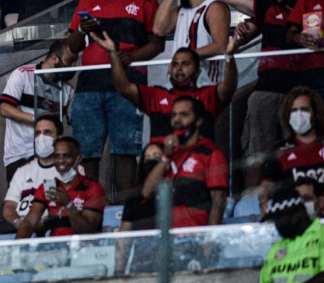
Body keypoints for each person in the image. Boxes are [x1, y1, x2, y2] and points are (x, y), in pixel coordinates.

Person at [66, 0, 162, 195]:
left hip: (128, 83)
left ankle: (124, 213)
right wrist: (81, 30)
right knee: (87, 152)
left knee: (125, 150)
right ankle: (90, 207)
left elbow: (157, 43)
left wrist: (132, 57)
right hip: (89, 83)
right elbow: (73, 46)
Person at [226, 0, 307, 186]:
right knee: (257, 154)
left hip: (303, 90)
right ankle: (252, 205)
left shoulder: (314, 9)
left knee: (303, 152)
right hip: (267, 91)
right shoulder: (268, 10)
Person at [101, 28, 237, 140]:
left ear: (198, 72)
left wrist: (230, 57)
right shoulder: (156, 95)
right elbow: (124, 88)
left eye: (185, 64)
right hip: (162, 170)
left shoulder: (207, 95)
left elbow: (229, 87)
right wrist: (112, 54)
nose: (179, 68)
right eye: (175, 64)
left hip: (198, 169)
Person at [140, 96, 228, 227]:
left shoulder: (211, 154)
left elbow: (218, 200)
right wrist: (166, 157)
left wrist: (210, 239)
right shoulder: (170, 155)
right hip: (167, 240)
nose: (176, 119)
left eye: (184, 115)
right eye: (174, 115)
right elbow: (147, 192)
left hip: (195, 238)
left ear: (198, 120)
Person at [0, 43, 76, 180]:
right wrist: (38, 120)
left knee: (48, 197)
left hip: (50, 156)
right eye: (70, 61)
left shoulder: (68, 90)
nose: (74, 66)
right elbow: (5, 109)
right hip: (20, 153)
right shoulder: (23, 74)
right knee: (22, 198)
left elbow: (75, 122)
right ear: (54, 58)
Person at [16, 136, 105, 238]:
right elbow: (29, 223)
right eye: (56, 156)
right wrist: (16, 250)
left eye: (66, 156)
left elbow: (87, 231)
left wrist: (68, 204)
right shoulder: (49, 186)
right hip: (54, 249)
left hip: (83, 249)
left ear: (79, 159)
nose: (61, 160)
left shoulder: (92, 188)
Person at [153, 0, 231, 74]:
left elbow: (221, 47)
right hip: (180, 83)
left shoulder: (215, 7)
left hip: (205, 84)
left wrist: (185, 57)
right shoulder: (181, 10)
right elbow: (158, 30)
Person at [1, 114, 69, 233]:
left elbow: (72, 206)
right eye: (38, 133)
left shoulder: (71, 171)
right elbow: (9, 206)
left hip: (52, 226)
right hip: (21, 226)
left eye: (47, 132)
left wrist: (44, 222)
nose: (41, 138)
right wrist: (18, 222)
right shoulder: (22, 171)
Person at [261, 87, 324, 197]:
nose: (299, 115)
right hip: (294, 212)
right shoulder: (280, 149)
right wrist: (263, 202)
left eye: (304, 109)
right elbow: (267, 184)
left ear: (316, 113)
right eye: (294, 110)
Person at [260, 186, 324, 283]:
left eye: (282, 218)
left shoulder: (321, 234)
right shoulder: (275, 249)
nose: (278, 225)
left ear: (299, 211)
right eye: (275, 220)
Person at [118, 143, 165, 233]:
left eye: (156, 158)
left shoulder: (174, 191)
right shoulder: (134, 197)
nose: (151, 161)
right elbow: (123, 237)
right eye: (147, 159)